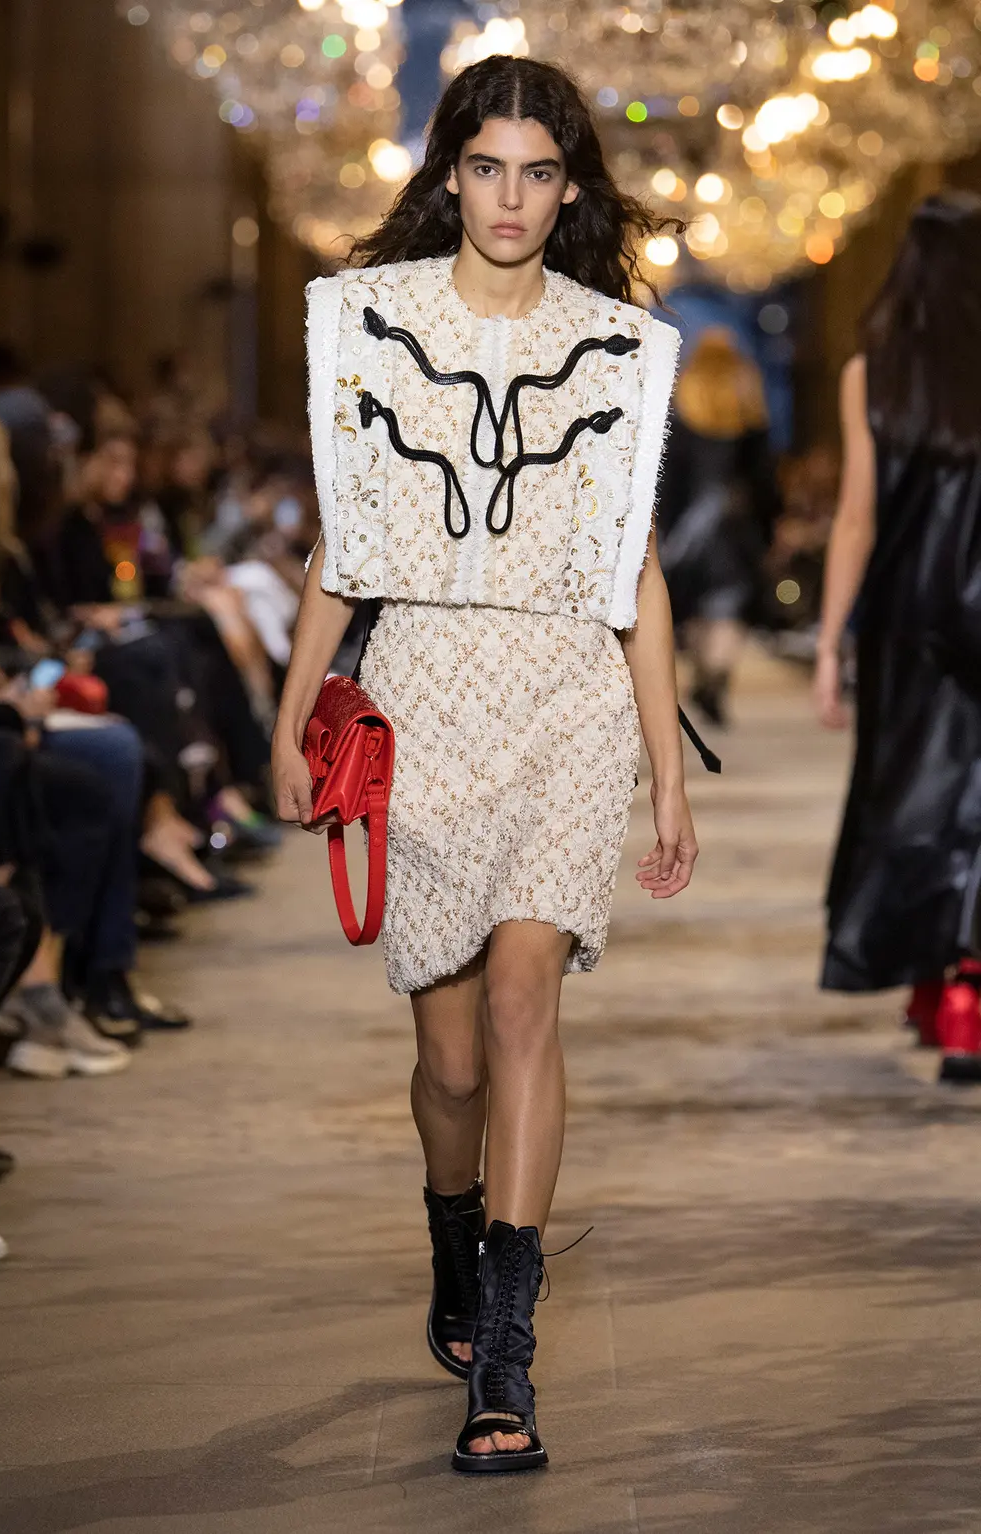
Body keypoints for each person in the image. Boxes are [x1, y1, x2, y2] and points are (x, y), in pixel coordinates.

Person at [272, 56, 699, 1473]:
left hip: (568, 698)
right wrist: (289, 715)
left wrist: (666, 770)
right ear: (449, 174)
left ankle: (506, 1356)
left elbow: (634, 568)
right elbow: (345, 542)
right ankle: (451, 1226)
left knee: (524, 1003)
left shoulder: (618, 347)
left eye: (538, 172)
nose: (510, 197)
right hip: (423, 699)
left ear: (568, 189)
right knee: (447, 1059)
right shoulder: (372, 323)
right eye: (486, 167)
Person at [813, 193, 981, 1083]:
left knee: (914, 799)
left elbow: (857, 518)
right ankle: (965, 998)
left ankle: (933, 986)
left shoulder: (872, 372)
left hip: (905, 621)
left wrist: (831, 642)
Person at [659, 327, 777, 727]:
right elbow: (764, 480)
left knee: (695, 607)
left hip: (688, 530)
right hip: (735, 528)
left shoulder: (678, 414)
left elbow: (667, 480)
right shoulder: (748, 415)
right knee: (728, 607)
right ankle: (716, 678)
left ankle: (703, 674)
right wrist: (769, 525)